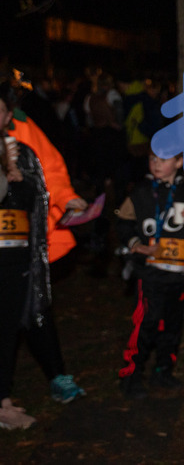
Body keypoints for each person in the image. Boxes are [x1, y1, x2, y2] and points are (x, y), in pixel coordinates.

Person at [3, 73, 88, 405]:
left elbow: (50, 169)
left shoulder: (21, 127)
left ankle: (57, 376)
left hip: (21, 241)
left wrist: (68, 199)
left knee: (34, 304)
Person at [116, 152, 184, 399]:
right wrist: (137, 245)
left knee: (172, 328)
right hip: (149, 274)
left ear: (179, 163)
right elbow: (123, 222)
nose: (156, 164)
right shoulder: (141, 192)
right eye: (152, 159)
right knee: (145, 325)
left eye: (163, 159)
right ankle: (130, 376)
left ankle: (163, 372)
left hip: (179, 275)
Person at [0, 84, 57, 429]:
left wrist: (17, 176)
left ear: (8, 116)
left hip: (14, 256)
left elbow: (35, 198)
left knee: (7, 330)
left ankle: (3, 401)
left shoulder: (21, 152)